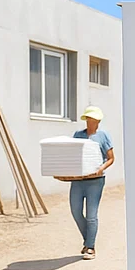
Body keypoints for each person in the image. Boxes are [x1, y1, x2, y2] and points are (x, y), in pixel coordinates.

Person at [54, 106, 115, 259]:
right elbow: (73, 155)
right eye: (87, 118)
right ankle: (88, 240)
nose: (89, 121)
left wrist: (101, 168)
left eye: (92, 119)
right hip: (78, 180)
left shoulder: (103, 135)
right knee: (75, 211)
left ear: (98, 121)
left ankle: (90, 248)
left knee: (91, 215)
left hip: (95, 181)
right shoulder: (78, 135)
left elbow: (111, 158)